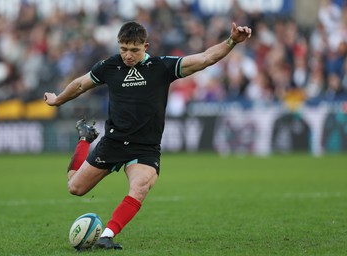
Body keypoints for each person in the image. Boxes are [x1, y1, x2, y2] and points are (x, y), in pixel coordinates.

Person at [44, 21, 252, 250]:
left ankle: (107, 235)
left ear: (146, 46)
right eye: (123, 49)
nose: (128, 55)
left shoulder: (161, 67)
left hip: (145, 147)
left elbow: (205, 58)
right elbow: (80, 85)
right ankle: (85, 139)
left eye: (134, 50)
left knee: (141, 186)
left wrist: (232, 41)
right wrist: (57, 100)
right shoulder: (109, 66)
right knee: (75, 188)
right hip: (113, 142)